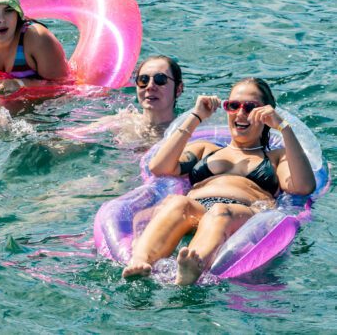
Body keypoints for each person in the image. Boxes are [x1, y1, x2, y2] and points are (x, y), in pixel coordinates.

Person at [122, 77, 316, 285]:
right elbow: (159, 167)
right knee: (178, 203)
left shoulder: (277, 156)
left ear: (266, 113)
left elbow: (302, 187)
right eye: (233, 106)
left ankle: (192, 268)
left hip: (243, 212)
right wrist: (196, 116)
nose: (240, 113)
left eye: (250, 107)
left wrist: (284, 127)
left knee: (220, 211)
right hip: (197, 207)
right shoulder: (206, 148)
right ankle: (140, 261)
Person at [61, 55, 184, 142]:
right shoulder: (123, 122)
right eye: (143, 80)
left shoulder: (185, 132)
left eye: (160, 79)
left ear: (178, 89)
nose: (150, 86)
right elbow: (68, 138)